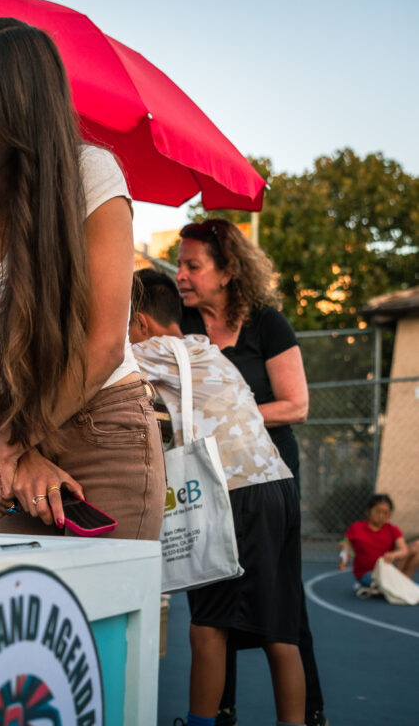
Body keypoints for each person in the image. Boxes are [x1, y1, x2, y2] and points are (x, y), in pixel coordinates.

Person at [0, 17, 165, 540]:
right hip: (19, 425)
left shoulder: (90, 176)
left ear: (22, 119)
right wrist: (13, 440)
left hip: (104, 424)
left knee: (105, 617)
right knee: (25, 614)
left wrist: (11, 440)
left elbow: (104, 346)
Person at [130, 269, 305, 726]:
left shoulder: (150, 350)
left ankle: (200, 722)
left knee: (208, 625)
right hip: (277, 483)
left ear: (140, 322)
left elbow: (87, 368)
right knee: (280, 631)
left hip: (234, 492)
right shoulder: (206, 349)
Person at [175, 218, 323, 726]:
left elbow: (297, 405)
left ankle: (311, 712)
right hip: (207, 477)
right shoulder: (181, 323)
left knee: (282, 607)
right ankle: (221, 711)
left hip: (265, 474)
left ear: (228, 270)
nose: (182, 275)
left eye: (193, 266)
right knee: (212, 603)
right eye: (179, 265)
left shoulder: (266, 323)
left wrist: (230, 412)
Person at [342, 494, 419, 587]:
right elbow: (346, 542)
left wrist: (394, 554)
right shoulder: (356, 527)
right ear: (368, 511)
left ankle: (402, 584)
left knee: (417, 545)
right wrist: (344, 549)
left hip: (387, 570)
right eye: (377, 512)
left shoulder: (393, 529)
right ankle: (400, 586)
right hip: (367, 573)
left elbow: (404, 550)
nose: (381, 516)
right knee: (384, 582)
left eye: (386, 513)